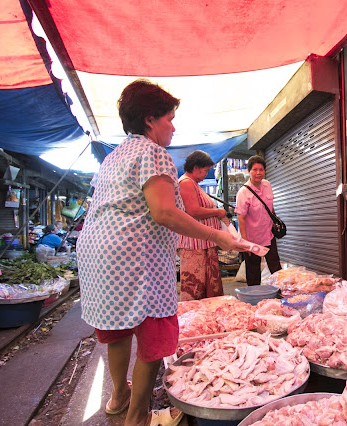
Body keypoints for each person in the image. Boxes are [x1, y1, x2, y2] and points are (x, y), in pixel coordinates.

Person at [76, 79, 247, 426]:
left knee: (118, 328)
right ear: (150, 118)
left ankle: (119, 396)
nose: (173, 126)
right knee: (154, 334)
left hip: (97, 255)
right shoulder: (153, 153)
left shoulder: (113, 156)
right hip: (132, 256)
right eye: (169, 118)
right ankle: (137, 417)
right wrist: (221, 237)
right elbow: (165, 213)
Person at [177, 150, 230, 300]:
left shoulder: (194, 183)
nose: (206, 174)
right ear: (195, 167)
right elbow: (192, 210)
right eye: (205, 170)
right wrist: (217, 212)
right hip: (195, 245)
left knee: (207, 286)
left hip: (204, 243)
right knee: (195, 286)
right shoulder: (186, 182)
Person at [235, 155, 282, 286]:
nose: (258, 173)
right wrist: (244, 242)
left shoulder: (267, 185)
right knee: (253, 272)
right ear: (249, 171)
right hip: (252, 238)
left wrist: (276, 222)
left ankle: (280, 294)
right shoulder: (243, 192)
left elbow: (271, 208)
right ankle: (254, 300)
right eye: (255, 170)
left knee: (276, 268)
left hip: (268, 234)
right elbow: (241, 218)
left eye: (261, 170)